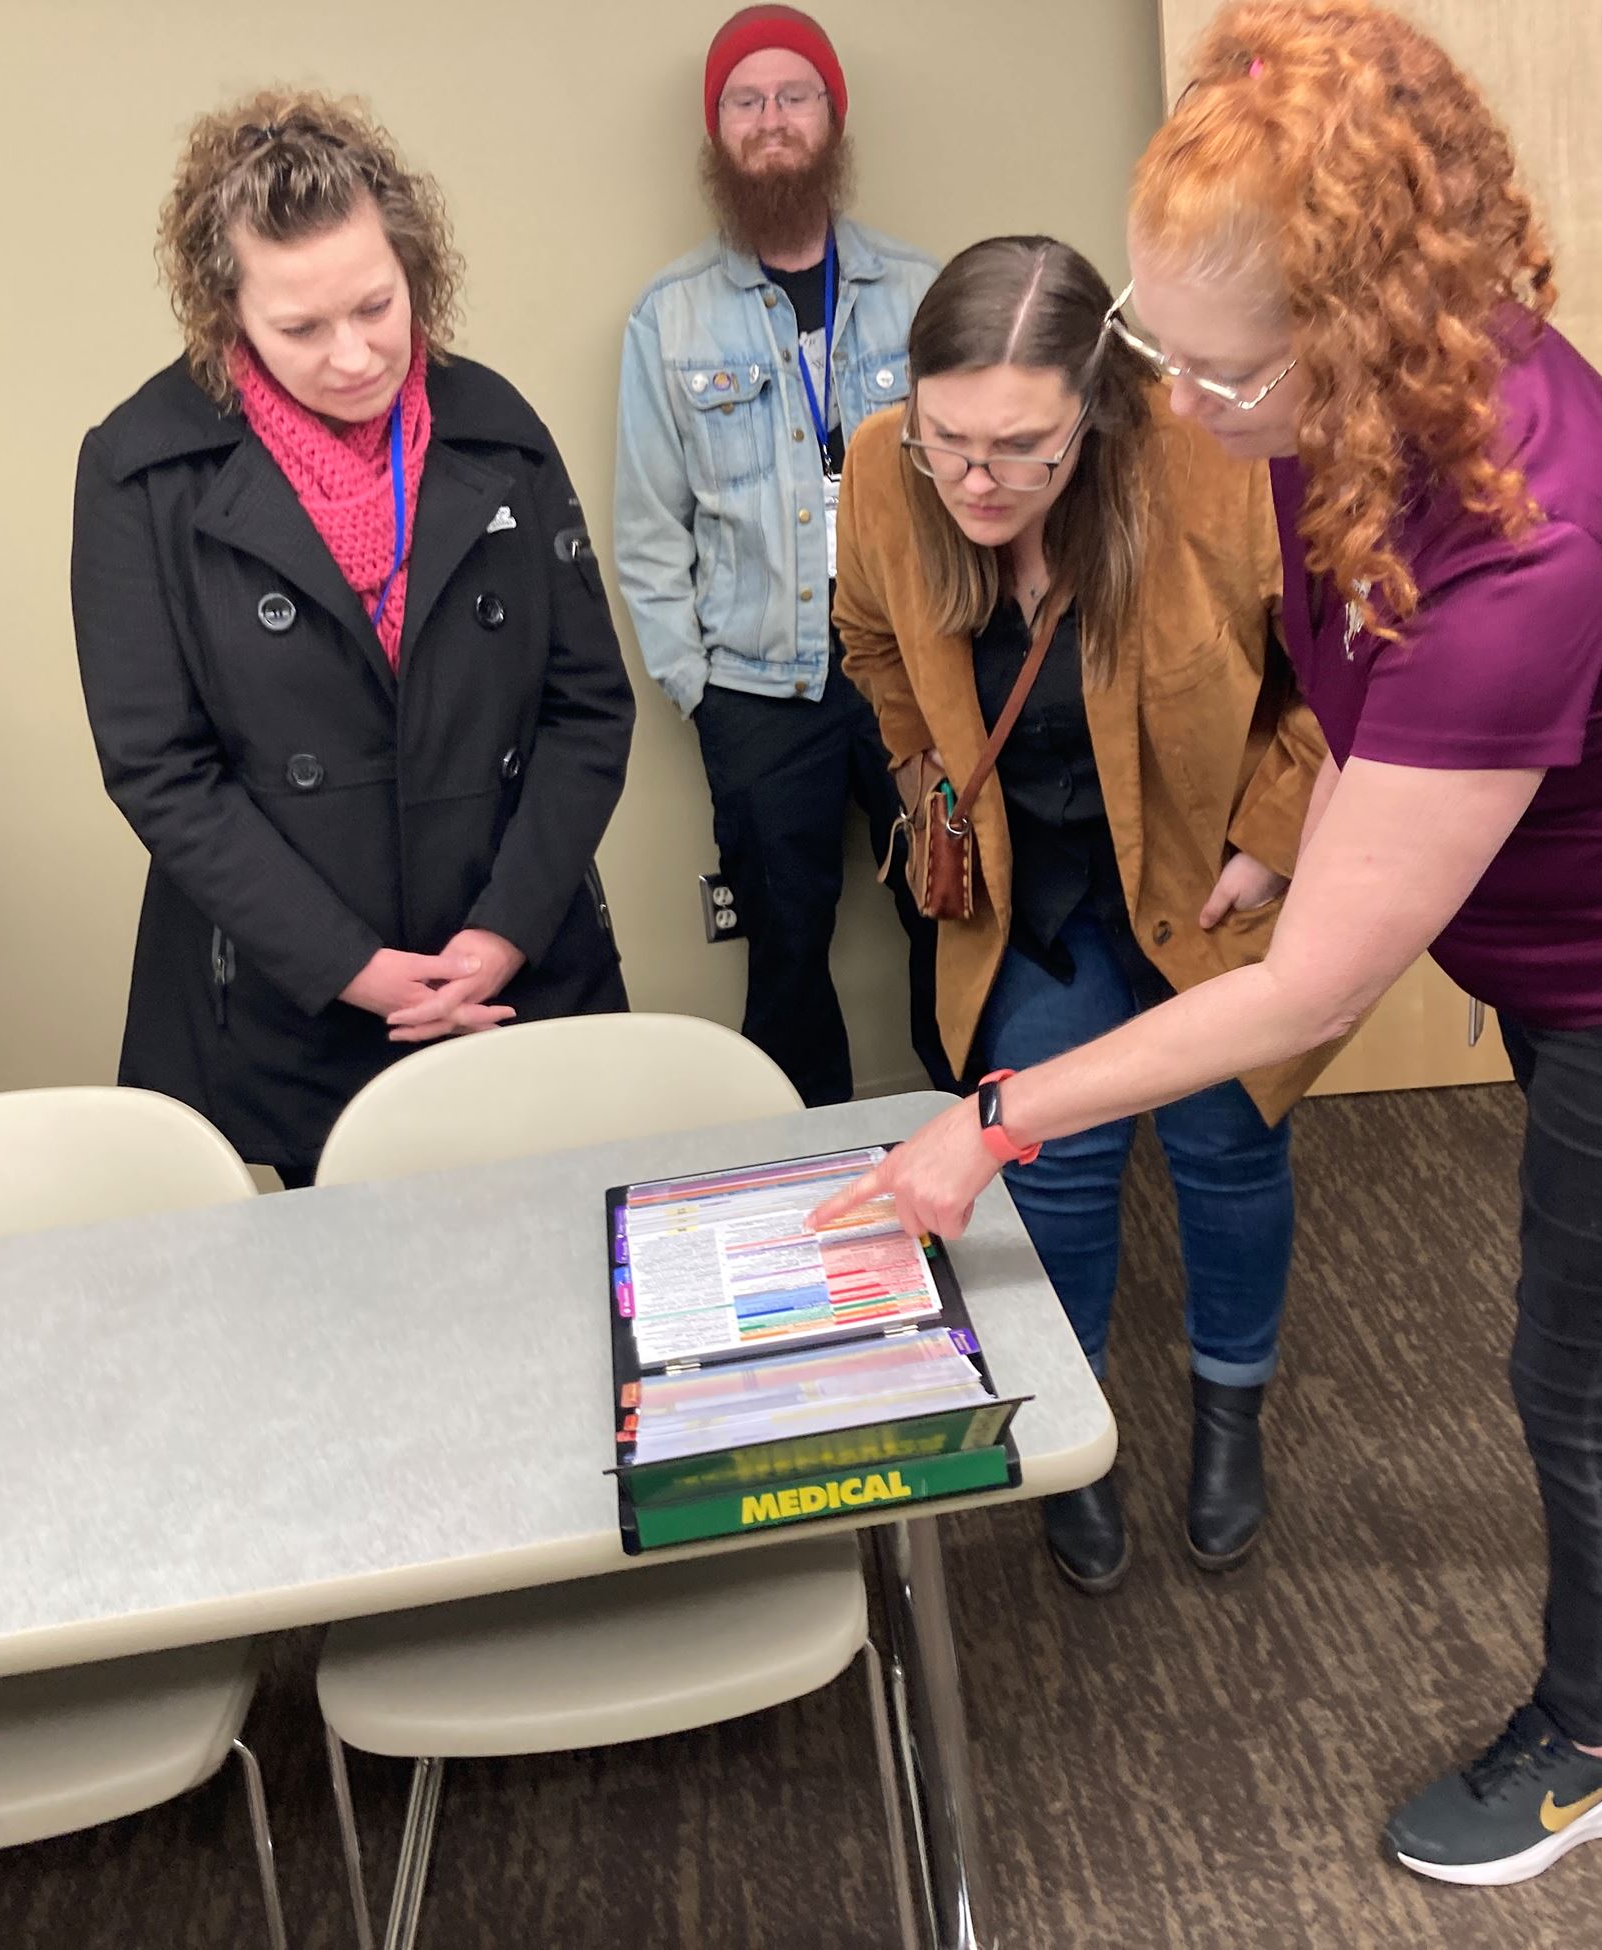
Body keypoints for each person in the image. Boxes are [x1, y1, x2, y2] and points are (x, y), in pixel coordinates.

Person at [817, 0, 1602, 1889]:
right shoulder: (1344, 397)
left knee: (1574, 1373)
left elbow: (1314, 990)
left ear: (1356, 326)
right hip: (1585, 949)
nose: (1179, 399)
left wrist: (992, 1119)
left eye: (1213, 366)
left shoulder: (1525, 541)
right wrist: (1292, 834)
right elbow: (1351, 715)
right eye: (1156, 343)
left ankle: (1595, 1740)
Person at [832, 236, 1339, 1591]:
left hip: (1200, 880)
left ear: (1097, 410)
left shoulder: (1212, 467)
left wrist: (1278, 832)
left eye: (1020, 448)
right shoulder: (888, 470)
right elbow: (871, 636)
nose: (977, 481)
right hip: (1032, 889)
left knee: (1229, 1148)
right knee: (1052, 1156)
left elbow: (1335, 675)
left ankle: (1231, 1416)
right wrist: (925, 772)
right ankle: (1077, 1435)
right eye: (950, 440)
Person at [73, 90, 635, 1185]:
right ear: (223, 310)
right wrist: (351, 967)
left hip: (508, 964)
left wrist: (504, 933)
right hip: (285, 994)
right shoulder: (140, 470)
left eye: (377, 305)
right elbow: (158, 767)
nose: (353, 355)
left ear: (413, 269)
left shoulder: (497, 433)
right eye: (300, 327)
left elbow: (585, 711)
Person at [615, 4, 953, 1105]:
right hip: (757, 694)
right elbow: (646, 531)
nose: (771, 121)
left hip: (914, 671)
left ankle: (968, 1148)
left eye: (792, 96)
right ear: (717, 133)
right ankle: (804, 1186)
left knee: (950, 923)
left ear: (831, 116)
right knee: (784, 954)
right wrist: (697, 691)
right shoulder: (666, 321)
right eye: (744, 101)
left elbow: (978, 488)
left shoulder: (921, 295)